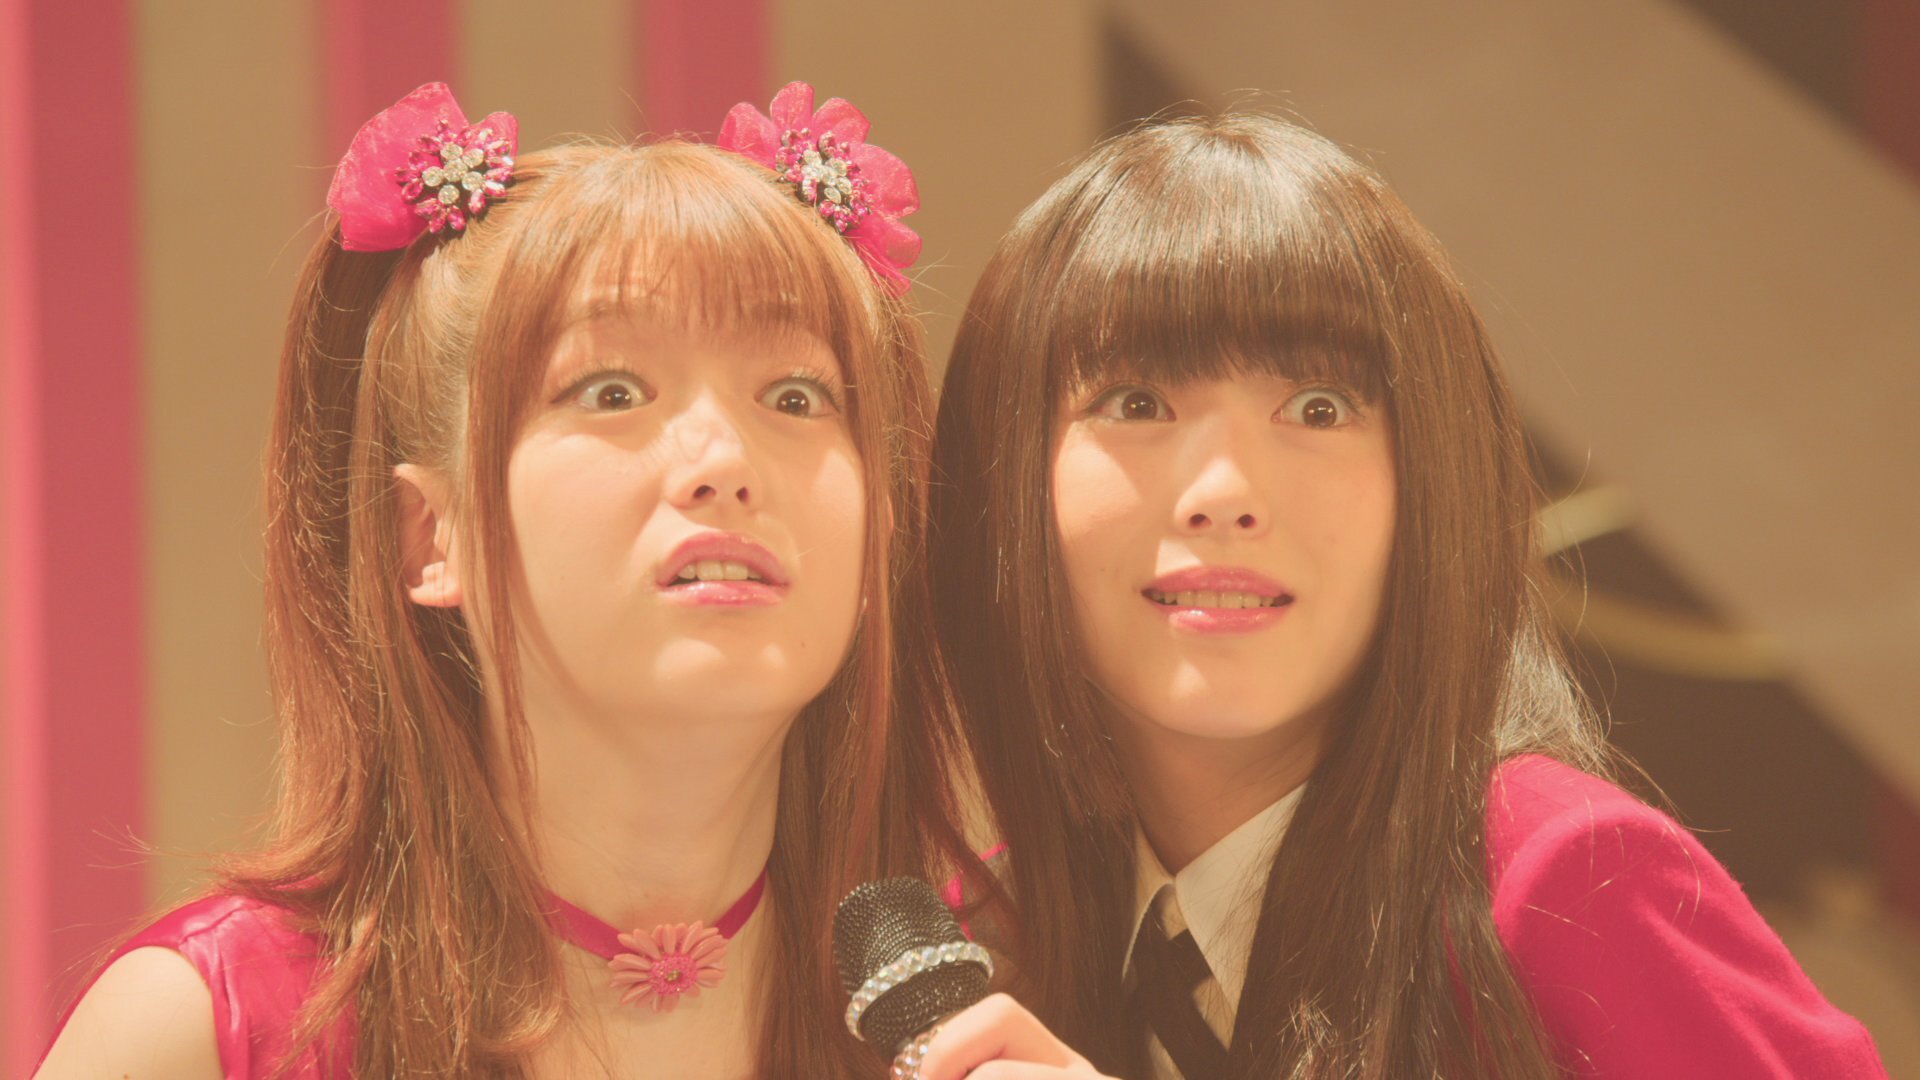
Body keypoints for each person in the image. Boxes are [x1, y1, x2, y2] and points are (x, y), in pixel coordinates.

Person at [916, 114, 1889, 1079]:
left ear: (1433, 479)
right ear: (999, 486)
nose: (1225, 494)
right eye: (1137, 404)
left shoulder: (1557, 883)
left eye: (1319, 408)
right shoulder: (990, 942)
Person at [34, 80, 969, 1079]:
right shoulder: (198, 1029)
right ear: (430, 537)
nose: (726, 461)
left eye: (796, 395)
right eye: (612, 390)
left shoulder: (993, 997)